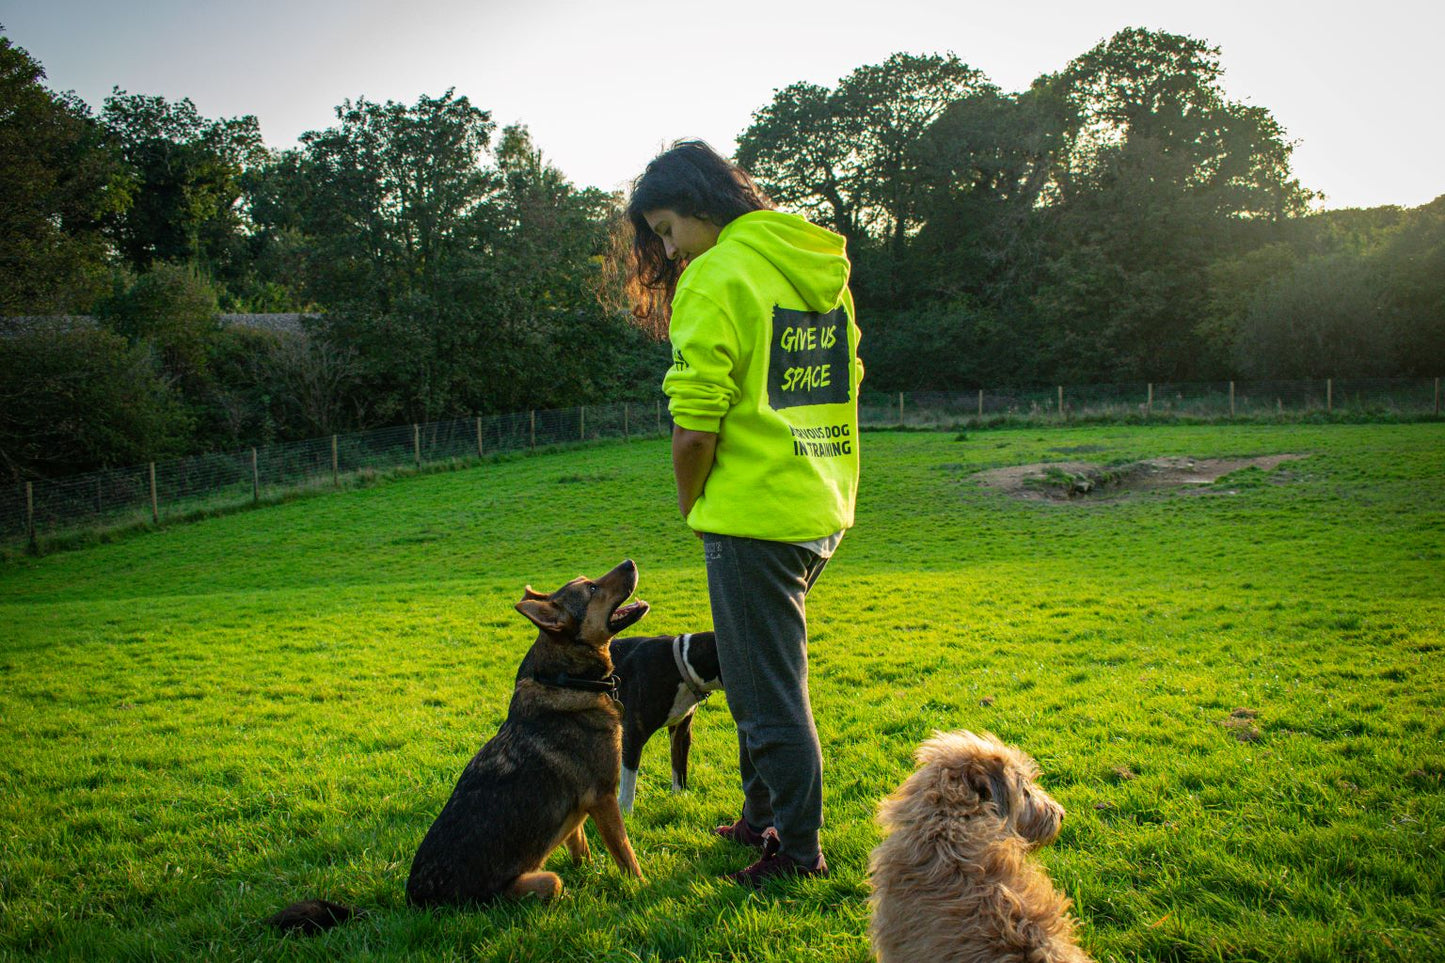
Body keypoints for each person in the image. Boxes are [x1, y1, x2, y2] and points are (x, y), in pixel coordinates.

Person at [622, 140, 863, 888]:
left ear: (700, 205)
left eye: (667, 229)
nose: (669, 250)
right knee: (755, 676)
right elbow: (846, 378)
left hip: (753, 519)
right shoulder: (815, 269)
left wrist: (691, 501)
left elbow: (694, 426)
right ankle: (760, 818)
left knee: (767, 697)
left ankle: (797, 851)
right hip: (819, 506)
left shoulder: (717, 274)